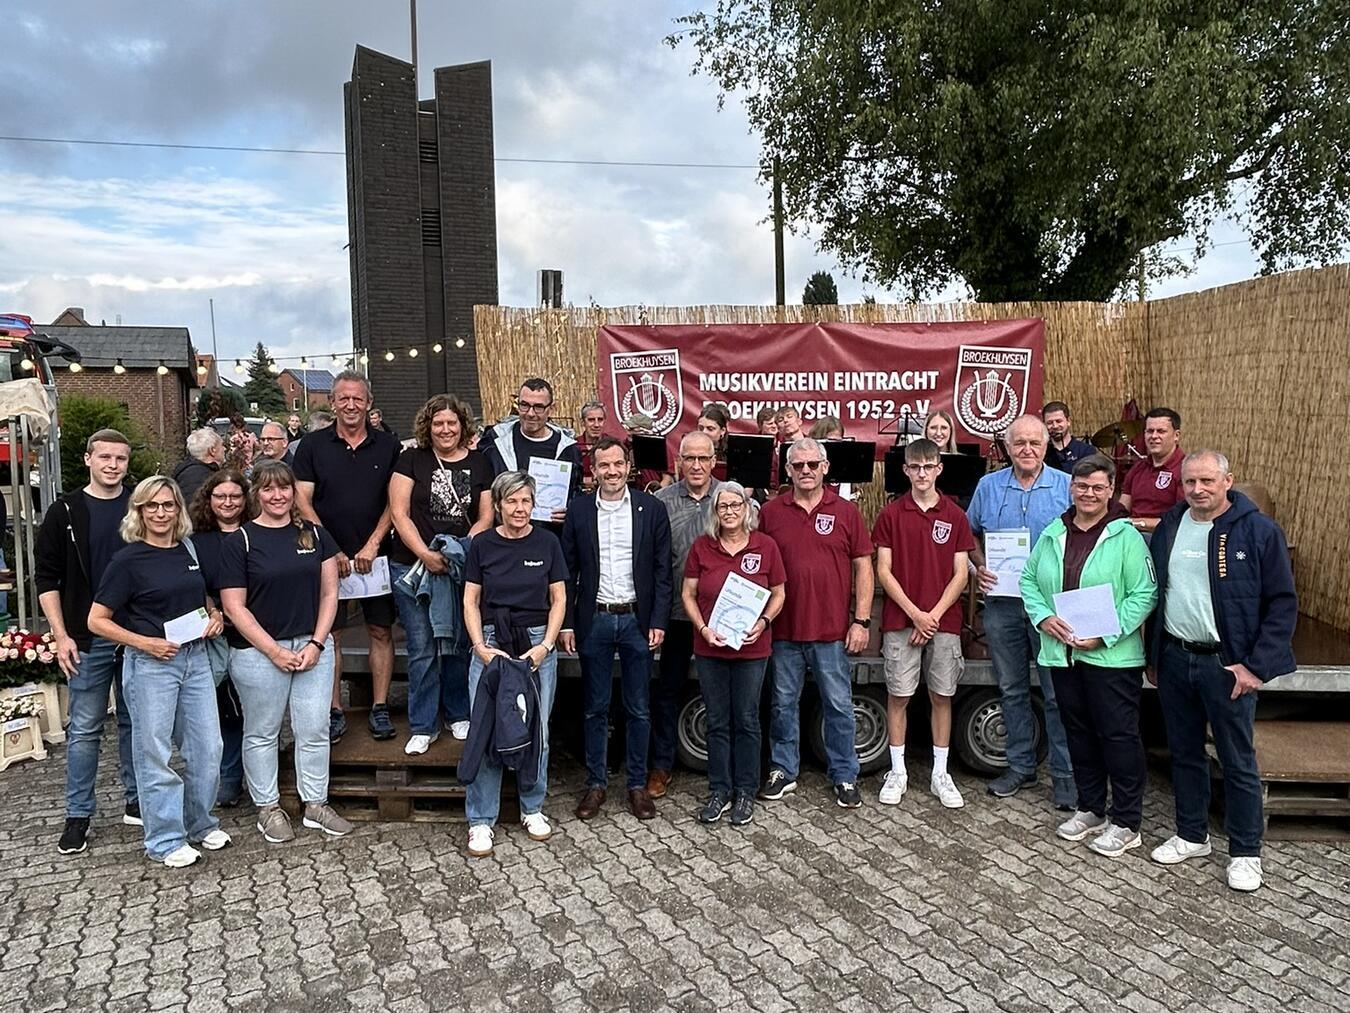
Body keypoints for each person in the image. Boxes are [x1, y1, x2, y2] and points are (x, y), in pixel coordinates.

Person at [1146, 450, 1296, 892]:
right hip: (1176, 657)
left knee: (1237, 760)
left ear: (1228, 480)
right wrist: (1156, 655)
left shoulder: (1258, 532)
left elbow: (1282, 604)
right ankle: (1192, 835)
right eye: (1190, 482)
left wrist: (1254, 667)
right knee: (1185, 752)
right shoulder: (1171, 525)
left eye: (1207, 481)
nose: (1198, 489)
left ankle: (1246, 851)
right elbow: (1161, 591)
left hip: (1227, 666)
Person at [87, 476, 229, 868]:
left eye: (168, 505)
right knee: (155, 752)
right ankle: (165, 840)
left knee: (208, 747)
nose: (161, 513)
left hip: (195, 657)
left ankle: (201, 823)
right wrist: (143, 642)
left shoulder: (188, 548)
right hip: (153, 664)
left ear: (178, 510)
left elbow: (200, 595)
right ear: (139, 512)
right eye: (152, 506)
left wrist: (214, 614)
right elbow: (97, 620)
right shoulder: (128, 561)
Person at [1021, 455, 1157, 857]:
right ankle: (1091, 808)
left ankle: (1128, 821)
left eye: (1098, 487)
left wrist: (1107, 634)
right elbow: (1030, 579)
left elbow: (1145, 593)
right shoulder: (1053, 532)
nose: (1089, 494)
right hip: (1064, 655)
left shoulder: (1125, 537)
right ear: (1072, 488)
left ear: (1111, 490)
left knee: (1117, 737)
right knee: (1078, 734)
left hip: (1111, 660)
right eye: (1082, 486)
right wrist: (1044, 617)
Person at [219, 461, 352, 844]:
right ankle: (268, 808)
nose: (277, 496)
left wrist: (317, 642)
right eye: (268, 489)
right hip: (259, 653)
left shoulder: (314, 534)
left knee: (314, 729)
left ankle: (316, 804)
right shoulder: (239, 541)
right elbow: (234, 607)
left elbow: (330, 593)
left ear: (294, 493)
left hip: (312, 647)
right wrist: (274, 651)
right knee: (262, 732)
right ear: (255, 494)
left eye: (284, 488)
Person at [966, 414, 1076, 808]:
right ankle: (1020, 767)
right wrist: (979, 566)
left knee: (1056, 693)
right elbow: (969, 535)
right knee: (1011, 689)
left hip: (1051, 608)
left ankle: (1065, 777)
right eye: (1019, 443)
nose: (1027, 450)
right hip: (1003, 606)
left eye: (1035, 442)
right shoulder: (988, 487)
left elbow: (1086, 535)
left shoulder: (1066, 487)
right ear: (1007, 447)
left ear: (1046, 446)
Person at [560, 437, 672, 822]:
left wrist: (658, 620)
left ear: (629, 467)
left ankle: (637, 786)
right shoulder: (578, 510)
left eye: (618, 465)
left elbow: (662, 572)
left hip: (637, 621)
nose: (611, 471)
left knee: (639, 707)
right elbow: (567, 572)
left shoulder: (650, 508)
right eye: (603, 465)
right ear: (593, 469)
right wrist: (568, 624)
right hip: (595, 620)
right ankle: (595, 784)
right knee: (594, 708)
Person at [38, 429, 140, 855]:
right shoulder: (65, 510)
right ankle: (78, 815)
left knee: (137, 724)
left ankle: (137, 802)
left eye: (120, 458)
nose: (113, 465)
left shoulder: (141, 503)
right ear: (88, 460)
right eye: (105, 458)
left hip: (137, 635)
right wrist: (61, 635)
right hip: (87, 636)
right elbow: (46, 578)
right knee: (84, 728)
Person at [758, 436, 874, 808]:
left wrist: (862, 620)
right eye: (798, 466)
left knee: (839, 705)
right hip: (784, 630)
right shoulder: (771, 513)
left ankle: (844, 775)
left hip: (831, 632)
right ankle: (782, 770)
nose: (805, 471)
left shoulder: (846, 512)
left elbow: (863, 567)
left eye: (812, 465)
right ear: (788, 470)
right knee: (781, 705)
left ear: (825, 467)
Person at [462, 472, 568, 858]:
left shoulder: (548, 543)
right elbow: (471, 600)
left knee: (537, 730)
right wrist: (478, 646)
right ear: (499, 505)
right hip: (492, 643)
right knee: (486, 728)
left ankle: (532, 807)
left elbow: (559, 599)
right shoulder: (482, 546)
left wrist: (546, 646)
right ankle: (480, 819)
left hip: (536, 644)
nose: (519, 509)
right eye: (511, 501)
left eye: (526, 501)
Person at [294, 371, 402, 744]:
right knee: (332, 634)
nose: (351, 405)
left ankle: (379, 706)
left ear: (368, 402)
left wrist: (373, 543)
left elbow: (395, 501)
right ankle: (334, 709)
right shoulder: (311, 446)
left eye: (358, 399)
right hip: (326, 558)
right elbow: (302, 500)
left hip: (377, 556)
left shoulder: (388, 446)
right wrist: (331, 547)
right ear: (333, 402)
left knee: (380, 630)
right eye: (344, 399)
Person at [871, 438, 976, 810]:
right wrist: (916, 614)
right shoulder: (891, 514)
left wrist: (931, 617)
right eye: (915, 467)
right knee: (898, 695)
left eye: (928, 466)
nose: (921, 473)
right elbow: (883, 570)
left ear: (939, 468)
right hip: (903, 619)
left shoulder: (955, 515)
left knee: (941, 695)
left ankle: (939, 773)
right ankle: (898, 771)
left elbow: (961, 574)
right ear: (905, 470)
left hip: (943, 621)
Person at [388, 394, 493, 754]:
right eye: (438, 424)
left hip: (460, 566)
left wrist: (460, 548)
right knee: (422, 646)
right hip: (413, 566)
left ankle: (457, 712)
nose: (445, 429)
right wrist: (425, 553)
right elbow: (399, 512)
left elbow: (486, 516)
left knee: (458, 643)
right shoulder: (410, 460)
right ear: (427, 428)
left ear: (463, 426)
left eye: (452, 423)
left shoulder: (480, 463)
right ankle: (423, 723)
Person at [682, 482, 785, 826]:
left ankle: (745, 790)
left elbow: (779, 592)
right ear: (715, 511)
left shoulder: (765, 546)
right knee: (717, 721)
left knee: (747, 719)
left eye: (735, 505)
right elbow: (688, 594)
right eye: (722, 506)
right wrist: (702, 629)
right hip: (710, 647)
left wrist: (765, 620)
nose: (729, 511)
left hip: (752, 648)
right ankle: (719, 790)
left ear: (747, 508)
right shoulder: (702, 547)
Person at [650, 431, 723, 797]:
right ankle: (661, 765)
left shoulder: (730, 498)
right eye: (689, 459)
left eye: (703, 458)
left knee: (723, 693)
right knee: (668, 691)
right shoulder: (661, 502)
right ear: (679, 461)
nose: (696, 466)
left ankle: (728, 770)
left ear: (714, 460)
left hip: (720, 618)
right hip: (677, 615)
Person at [187, 469, 250, 808]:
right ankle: (228, 777)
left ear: (245, 499)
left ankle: (252, 775)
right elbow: (191, 585)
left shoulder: (256, 533)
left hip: (254, 633)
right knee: (223, 711)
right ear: (208, 500)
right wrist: (212, 611)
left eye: (235, 496)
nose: (228, 502)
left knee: (255, 712)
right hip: (213, 637)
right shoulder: (195, 541)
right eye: (220, 496)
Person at [481, 379, 585, 516]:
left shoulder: (568, 450)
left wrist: (570, 512)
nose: (530, 413)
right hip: (503, 531)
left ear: (551, 409)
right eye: (524, 405)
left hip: (551, 533)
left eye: (538, 407)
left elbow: (576, 492)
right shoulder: (494, 443)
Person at [1119, 408, 1184, 532]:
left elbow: (1180, 520)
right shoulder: (1138, 468)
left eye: (1161, 431)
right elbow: (1122, 508)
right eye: (1149, 431)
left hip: (1165, 536)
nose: (1154, 436)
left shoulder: (1185, 470)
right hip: (1132, 534)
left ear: (1176, 435)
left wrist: (1134, 522)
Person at [172, 427, 225, 506]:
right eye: (221, 445)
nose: (225, 449)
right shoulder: (197, 476)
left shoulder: (195, 470)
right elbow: (193, 507)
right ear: (212, 450)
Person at [1042, 402, 1095, 473]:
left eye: (1059, 421)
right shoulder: (1042, 452)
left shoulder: (1086, 450)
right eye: (1050, 423)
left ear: (1068, 421)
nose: (1055, 426)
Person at [576, 401, 607, 492]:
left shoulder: (613, 445)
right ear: (582, 422)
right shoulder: (574, 446)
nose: (596, 425)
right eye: (591, 420)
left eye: (600, 420)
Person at [696, 404, 732, 480]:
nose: (704, 432)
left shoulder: (733, 451)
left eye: (710, 429)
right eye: (701, 428)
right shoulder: (690, 448)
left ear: (723, 430)